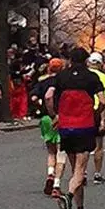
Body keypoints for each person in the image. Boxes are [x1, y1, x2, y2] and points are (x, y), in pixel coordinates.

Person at [45, 47, 105, 209]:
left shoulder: (61, 76)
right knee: (80, 171)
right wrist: (96, 112)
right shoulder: (91, 77)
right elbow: (102, 100)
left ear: (70, 60)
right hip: (85, 126)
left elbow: (48, 96)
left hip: (66, 126)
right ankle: (68, 196)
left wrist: (54, 115)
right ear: (86, 61)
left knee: (74, 171)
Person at [30, 58, 67, 197]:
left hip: (45, 119)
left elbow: (33, 97)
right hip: (60, 117)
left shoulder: (42, 82)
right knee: (61, 151)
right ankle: (57, 184)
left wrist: (40, 105)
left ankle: (50, 174)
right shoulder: (63, 83)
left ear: (49, 68)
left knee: (51, 151)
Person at [87, 52, 105, 185]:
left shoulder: (83, 75)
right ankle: (97, 173)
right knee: (99, 145)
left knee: (82, 144)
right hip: (96, 111)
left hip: (84, 112)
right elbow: (104, 100)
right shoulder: (103, 77)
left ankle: (81, 172)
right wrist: (103, 119)